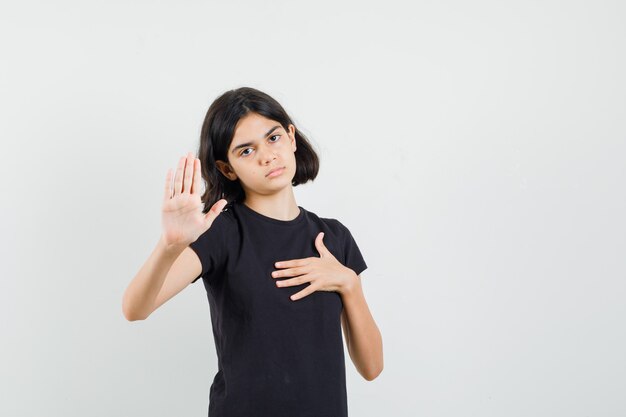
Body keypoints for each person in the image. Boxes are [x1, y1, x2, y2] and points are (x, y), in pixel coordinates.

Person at [122, 87, 383, 417]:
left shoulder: (334, 237)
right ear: (227, 168)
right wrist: (169, 247)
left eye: (273, 138)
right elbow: (135, 308)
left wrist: (349, 283)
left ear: (291, 137)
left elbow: (372, 367)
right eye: (246, 151)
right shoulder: (221, 232)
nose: (267, 156)